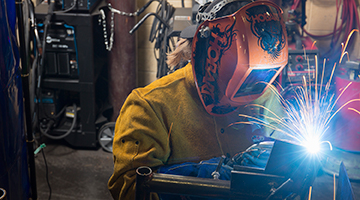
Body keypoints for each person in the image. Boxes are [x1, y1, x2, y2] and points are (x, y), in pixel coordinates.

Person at [108, 0, 289, 199]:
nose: (252, 86)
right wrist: (198, 181)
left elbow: (283, 156)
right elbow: (128, 189)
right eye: (241, 74)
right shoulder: (150, 106)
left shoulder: (265, 95)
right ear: (208, 53)